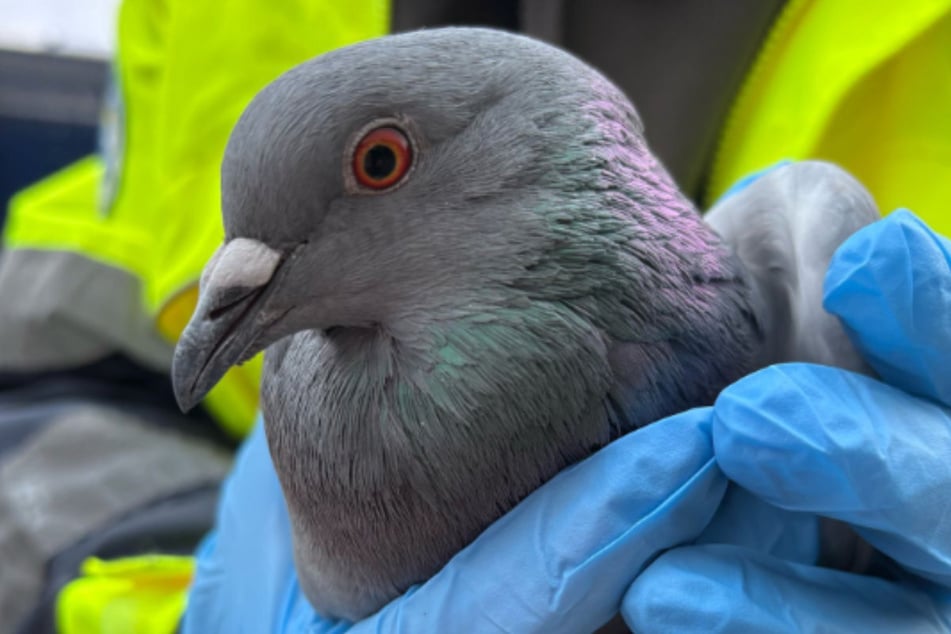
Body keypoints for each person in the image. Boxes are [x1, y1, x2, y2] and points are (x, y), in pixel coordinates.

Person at [0, 0, 948, 632]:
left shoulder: (801, 246)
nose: (225, 290)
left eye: (381, 161)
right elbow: (56, 355)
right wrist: (175, 602)